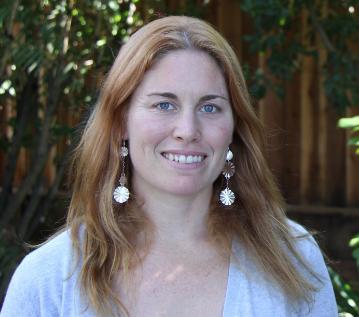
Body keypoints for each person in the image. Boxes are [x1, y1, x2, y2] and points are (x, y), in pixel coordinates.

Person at [1, 16, 337, 317]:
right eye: (164, 104)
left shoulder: (293, 258)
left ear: (234, 127)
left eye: (210, 107)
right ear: (120, 122)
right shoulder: (48, 280)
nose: (188, 130)